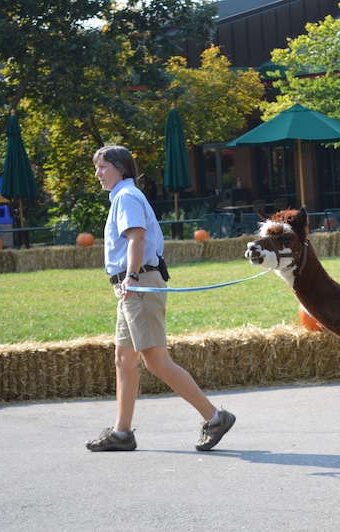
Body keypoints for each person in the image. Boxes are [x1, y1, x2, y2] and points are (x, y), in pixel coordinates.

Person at [86, 145, 235, 452]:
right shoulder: (124, 197)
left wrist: (132, 276)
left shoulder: (126, 197)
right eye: (97, 167)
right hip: (133, 285)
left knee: (156, 360)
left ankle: (215, 417)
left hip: (137, 284)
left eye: (102, 167)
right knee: (124, 359)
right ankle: (122, 432)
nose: (98, 173)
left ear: (120, 169)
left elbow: (136, 238)